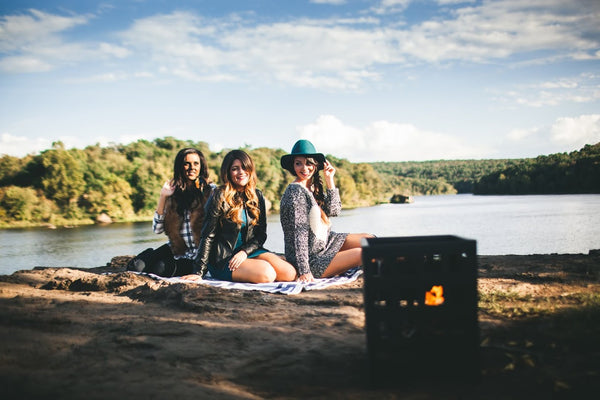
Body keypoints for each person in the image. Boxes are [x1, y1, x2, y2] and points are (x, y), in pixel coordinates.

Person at [190, 149, 297, 283]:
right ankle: (250, 269)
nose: (241, 172)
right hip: (224, 258)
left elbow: (260, 235)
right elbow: (207, 236)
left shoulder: (257, 196)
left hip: (248, 252)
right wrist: (198, 272)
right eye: (235, 169)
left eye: (244, 167)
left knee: (290, 273)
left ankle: (253, 265)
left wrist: (245, 252)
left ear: (250, 170)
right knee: (267, 274)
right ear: (228, 172)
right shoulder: (218, 196)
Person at [279, 139, 373, 283]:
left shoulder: (311, 188)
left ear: (316, 165)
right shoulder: (295, 192)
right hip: (312, 259)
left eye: (309, 163)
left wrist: (330, 180)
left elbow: (334, 211)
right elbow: (299, 233)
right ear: (293, 166)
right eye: (299, 163)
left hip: (327, 243)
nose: (304, 168)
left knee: (369, 240)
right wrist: (304, 271)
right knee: (364, 253)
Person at [127, 147, 214, 277]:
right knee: (135, 267)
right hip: (176, 249)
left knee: (160, 269)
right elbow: (157, 229)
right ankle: (151, 254)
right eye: (187, 163)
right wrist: (163, 196)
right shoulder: (173, 191)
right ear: (180, 166)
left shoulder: (211, 191)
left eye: (196, 163)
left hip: (198, 255)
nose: (192, 167)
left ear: (201, 166)